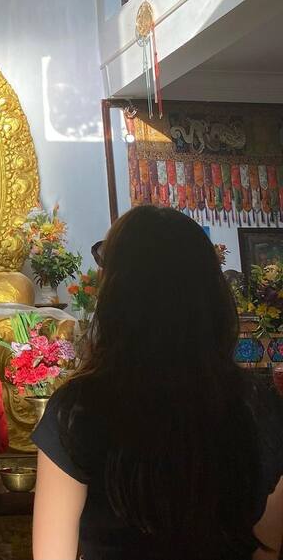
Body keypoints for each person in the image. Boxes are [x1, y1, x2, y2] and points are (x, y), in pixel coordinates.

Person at [32, 206, 283, 560]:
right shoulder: (256, 405)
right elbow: (270, 542)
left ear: (117, 296)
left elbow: (51, 555)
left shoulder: (77, 410)